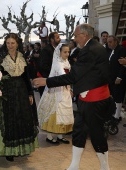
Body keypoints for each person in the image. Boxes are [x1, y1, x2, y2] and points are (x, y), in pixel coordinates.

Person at [33, 23, 113, 170]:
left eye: (76, 36)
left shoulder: (89, 50)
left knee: (96, 135)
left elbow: (73, 76)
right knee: (79, 131)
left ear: (84, 35)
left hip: (93, 101)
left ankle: (105, 167)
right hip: (88, 98)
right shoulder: (95, 47)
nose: (74, 39)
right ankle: (74, 166)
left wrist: (47, 81)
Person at [0, 33, 39, 162]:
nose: (10, 45)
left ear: (17, 44)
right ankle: (9, 151)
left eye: (12, 43)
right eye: (8, 43)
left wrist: (30, 93)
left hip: (21, 91)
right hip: (6, 92)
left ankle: (20, 148)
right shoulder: (0, 58)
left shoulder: (22, 57)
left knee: (21, 118)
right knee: (9, 119)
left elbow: (26, 77)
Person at [37, 43, 74, 144]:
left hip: (64, 89)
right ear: (59, 52)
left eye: (68, 52)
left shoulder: (67, 62)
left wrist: (69, 89)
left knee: (63, 113)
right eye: (65, 52)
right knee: (55, 113)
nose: (67, 54)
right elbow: (64, 77)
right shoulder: (58, 63)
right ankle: (49, 136)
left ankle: (60, 135)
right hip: (56, 91)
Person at [107, 35, 126, 122]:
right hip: (112, 78)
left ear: (116, 41)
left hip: (118, 78)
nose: (109, 44)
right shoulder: (112, 50)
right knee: (114, 96)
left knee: (118, 96)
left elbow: (123, 65)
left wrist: (119, 77)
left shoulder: (121, 49)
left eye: (110, 42)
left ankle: (117, 116)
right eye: (108, 42)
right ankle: (114, 114)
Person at [38, 32, 61, 96]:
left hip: (54, 79)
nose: (59, 39)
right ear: (52, 40)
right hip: (47, 79)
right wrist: (55, 72)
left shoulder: (58, 49)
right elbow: (43, 66)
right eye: (57, 37)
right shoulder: (46, 50)